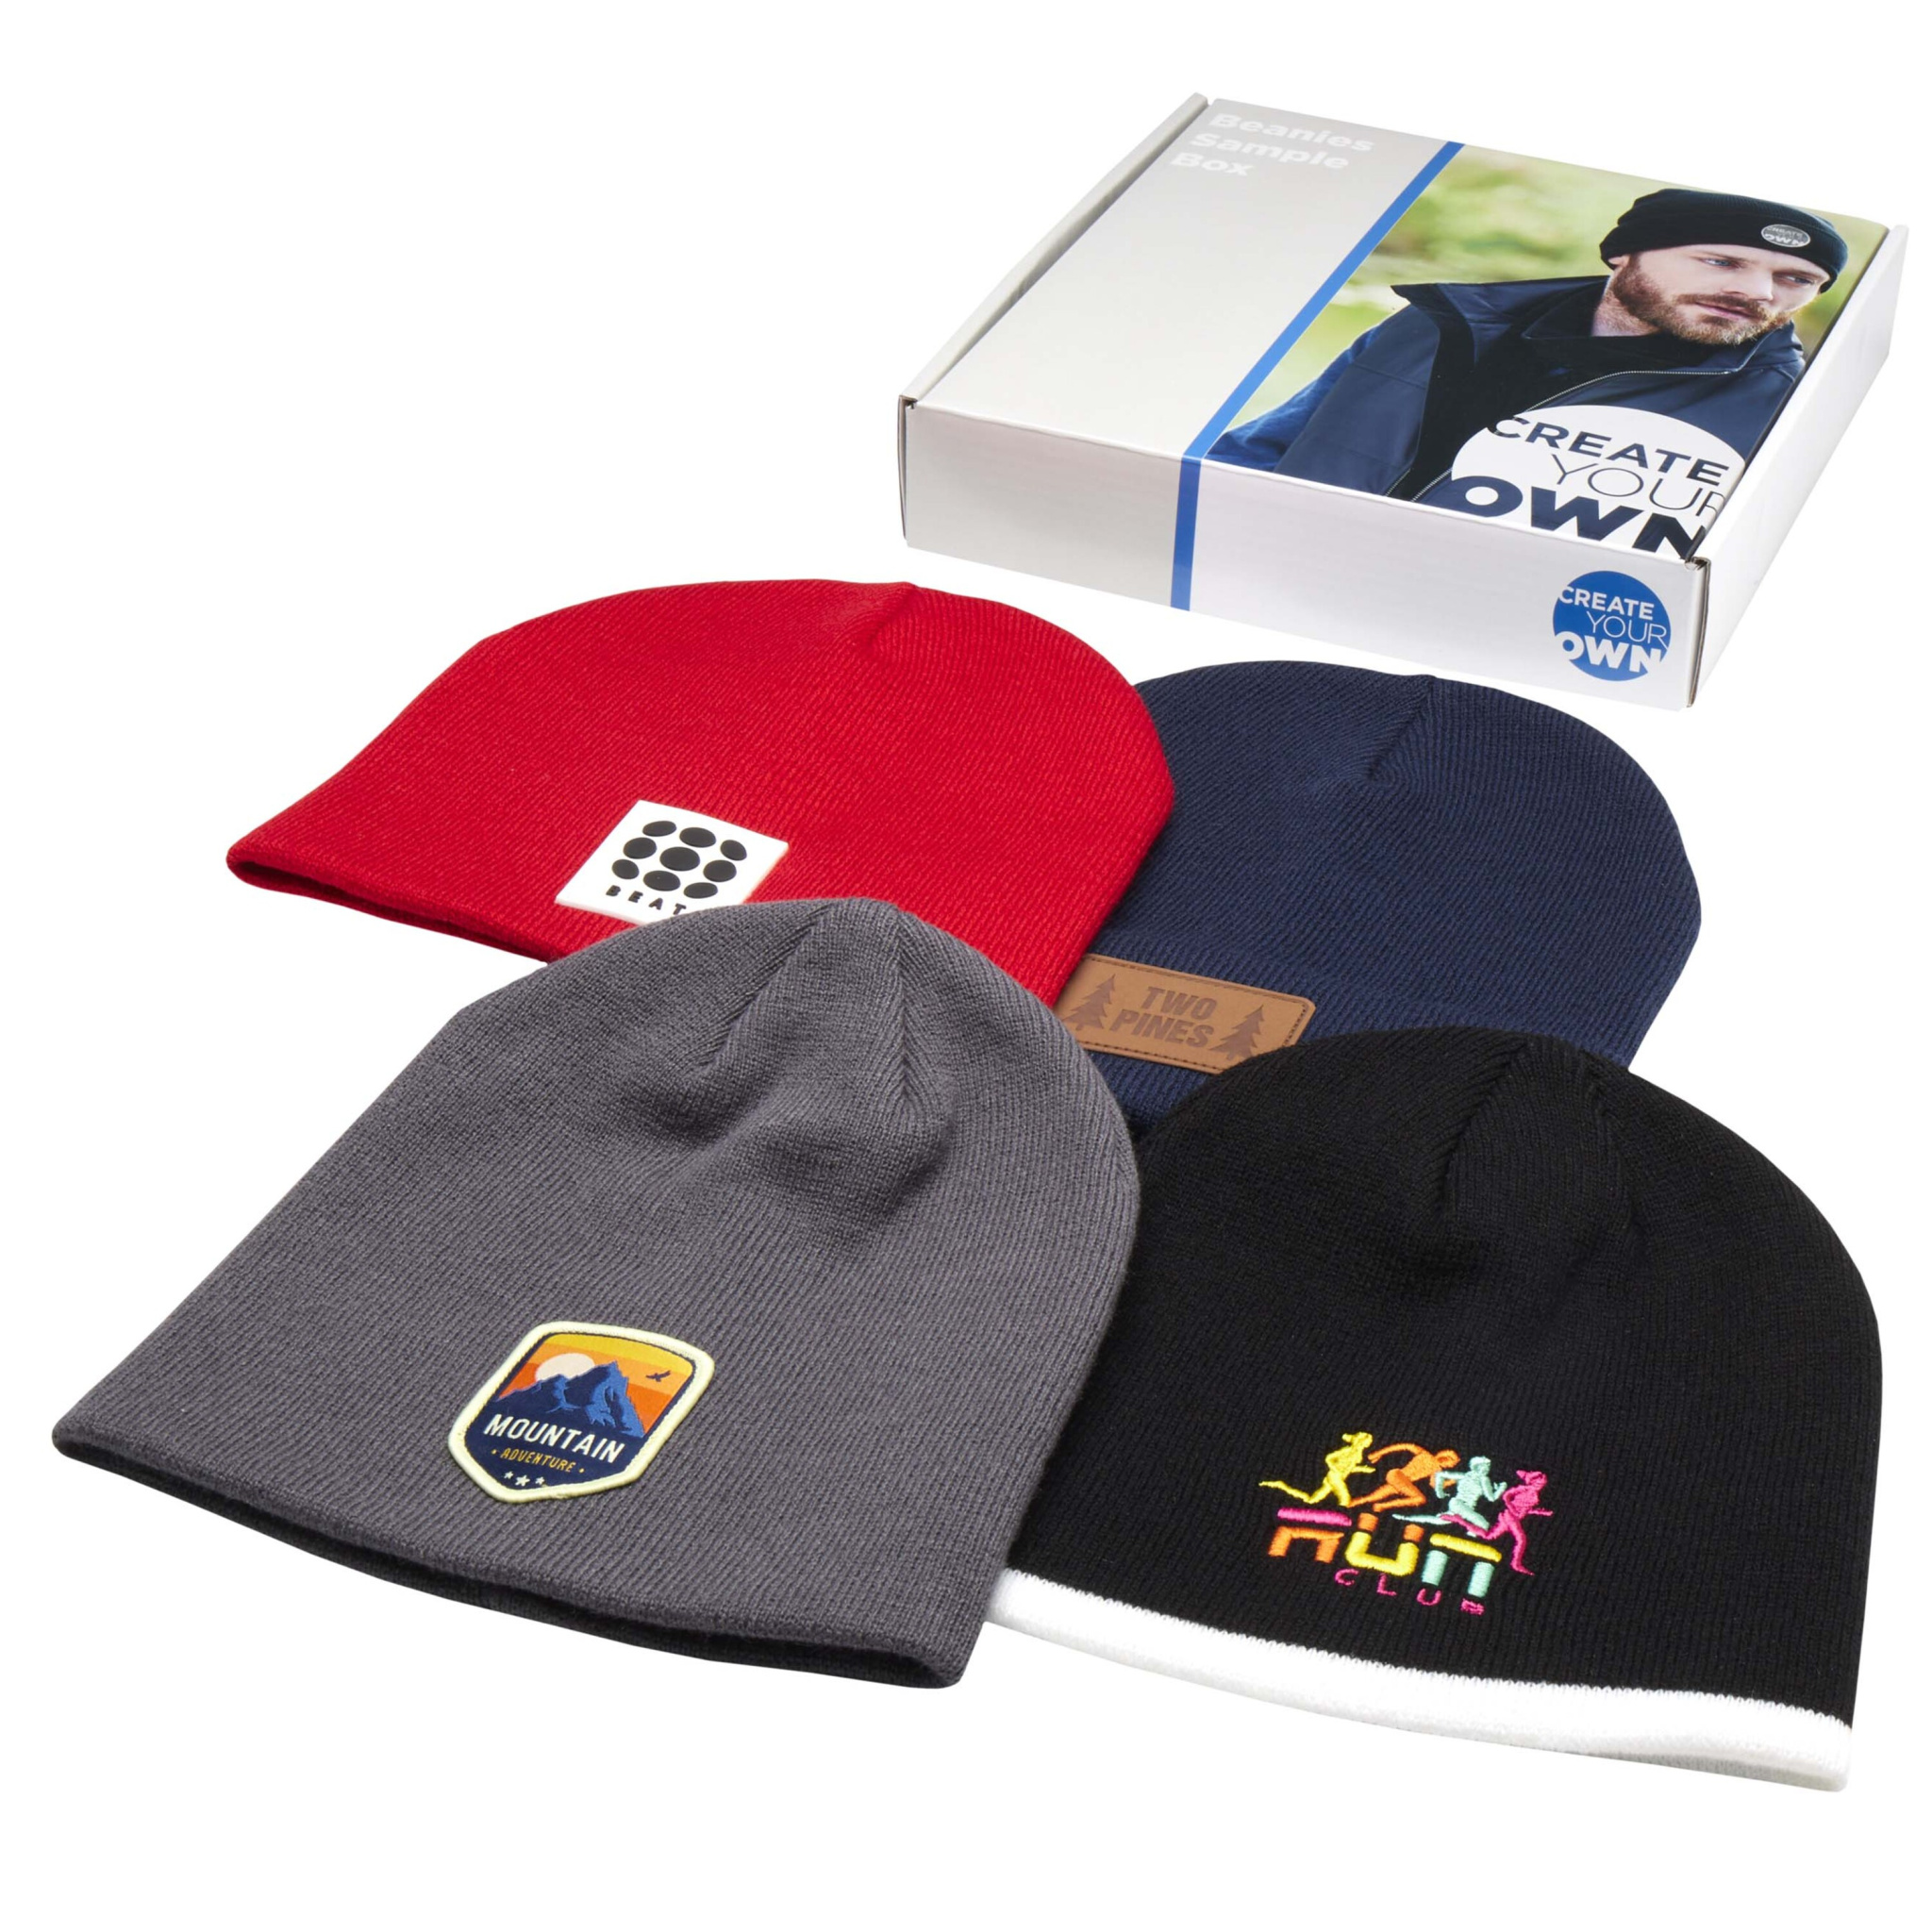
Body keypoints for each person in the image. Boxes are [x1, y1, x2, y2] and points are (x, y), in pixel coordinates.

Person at [1209, 190, 1848, 501]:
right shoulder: (1437, 323)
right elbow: (1263, 447)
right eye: (1721, 261)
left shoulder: (1783, 412)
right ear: (1624, 254)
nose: (1759, 292)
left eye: (1797, 280)